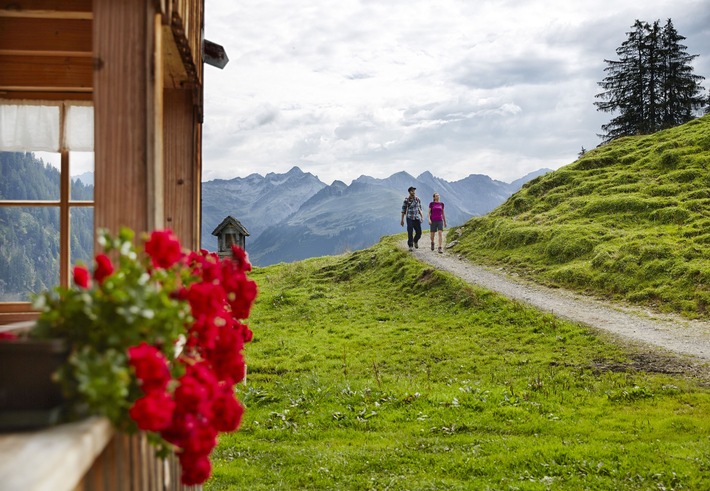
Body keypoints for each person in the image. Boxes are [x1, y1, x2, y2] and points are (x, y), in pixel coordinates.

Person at [400, 186, 423, 251]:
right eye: (412, 191)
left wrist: (422, 216)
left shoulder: (417, 199)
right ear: (409, 192)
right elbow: (403, 210)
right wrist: (402, 220)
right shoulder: (406, 200)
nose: (414, 192)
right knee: (410, 232)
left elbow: (419, 209)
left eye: (414, 191)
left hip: (416, 217)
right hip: (409, 217)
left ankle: (415, 241)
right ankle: (410, 245)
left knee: (419, 232)